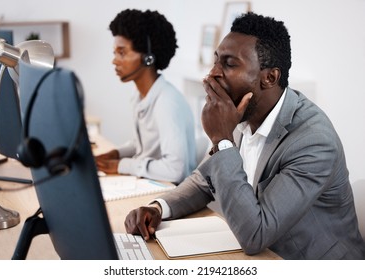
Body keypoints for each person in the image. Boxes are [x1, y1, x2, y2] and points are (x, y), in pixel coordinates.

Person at [124, 12, 365, 260]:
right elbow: (204, 180)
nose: (212, 74)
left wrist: (222, 140)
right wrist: (158, 208)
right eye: (216, 60)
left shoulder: (313, 141)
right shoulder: (243, 113)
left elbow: (255, 235)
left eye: (229, 64)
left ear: (269, 77)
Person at [95, 9, 196, 184]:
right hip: (150, 183)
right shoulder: (139, 95)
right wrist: (116, 154)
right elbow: (143, 145)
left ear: (148, 58)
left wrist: (121, 165)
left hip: (169, 191)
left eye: (122, 52)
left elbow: (175, 170)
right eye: (115, 53)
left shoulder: (167, 102)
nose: (114, 60)